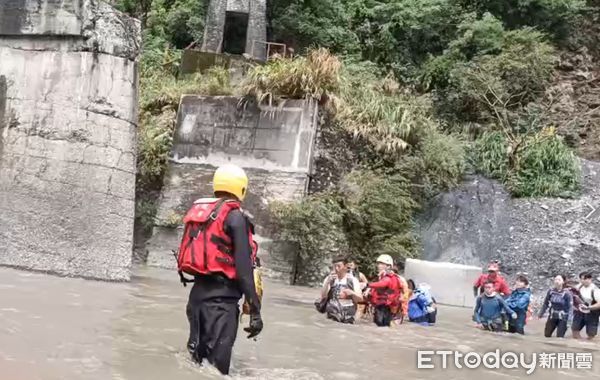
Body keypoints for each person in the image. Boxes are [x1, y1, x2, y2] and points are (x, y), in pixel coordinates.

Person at [177, 164, 262, 375]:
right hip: (220, 305)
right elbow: (244, 270)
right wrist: (255, 310)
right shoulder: (235, 217)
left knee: (197, 364)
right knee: (217, 371)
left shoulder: (204, 216)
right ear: (241, 189)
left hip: (196, 300)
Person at [319, 256, 363, 324]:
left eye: (339, 266)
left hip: (348, 315)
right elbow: (323, 296)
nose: (336, 269)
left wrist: (352, 293)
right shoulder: (329, 279)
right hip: (332, 313)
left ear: (346, 266)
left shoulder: (353, 280)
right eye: (334, 266)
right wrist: (327, 282)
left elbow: (360, 299)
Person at [366, 254, 402, 327]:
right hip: (382, 306)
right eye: (378, 263)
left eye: (382, 264)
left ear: (388, 266)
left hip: (385, 307)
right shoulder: (381, 276)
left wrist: (367, 285)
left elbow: (383, 284)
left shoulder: (389, 277)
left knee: (381, 326)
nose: (379, 265)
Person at [572, 272, 600, 340]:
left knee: (591, 335)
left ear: (590, 279)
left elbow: (599, 304)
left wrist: (588, 307)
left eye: (586, 279)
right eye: (582, 279)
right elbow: (573, 292)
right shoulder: (580, 286)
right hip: (580, 311)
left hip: (592, 312)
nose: (584, 280)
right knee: (575, 329)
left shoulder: (595, 290)